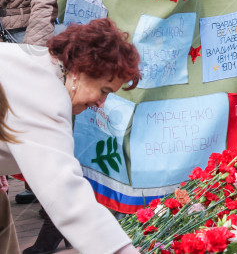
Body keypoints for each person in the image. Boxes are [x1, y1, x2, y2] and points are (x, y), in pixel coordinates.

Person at [0, 19, 141, 254]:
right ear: (79, 71)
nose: (100, 103)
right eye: (104, 90)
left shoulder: (37, 63)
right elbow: (67, 197)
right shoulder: (45, 94)